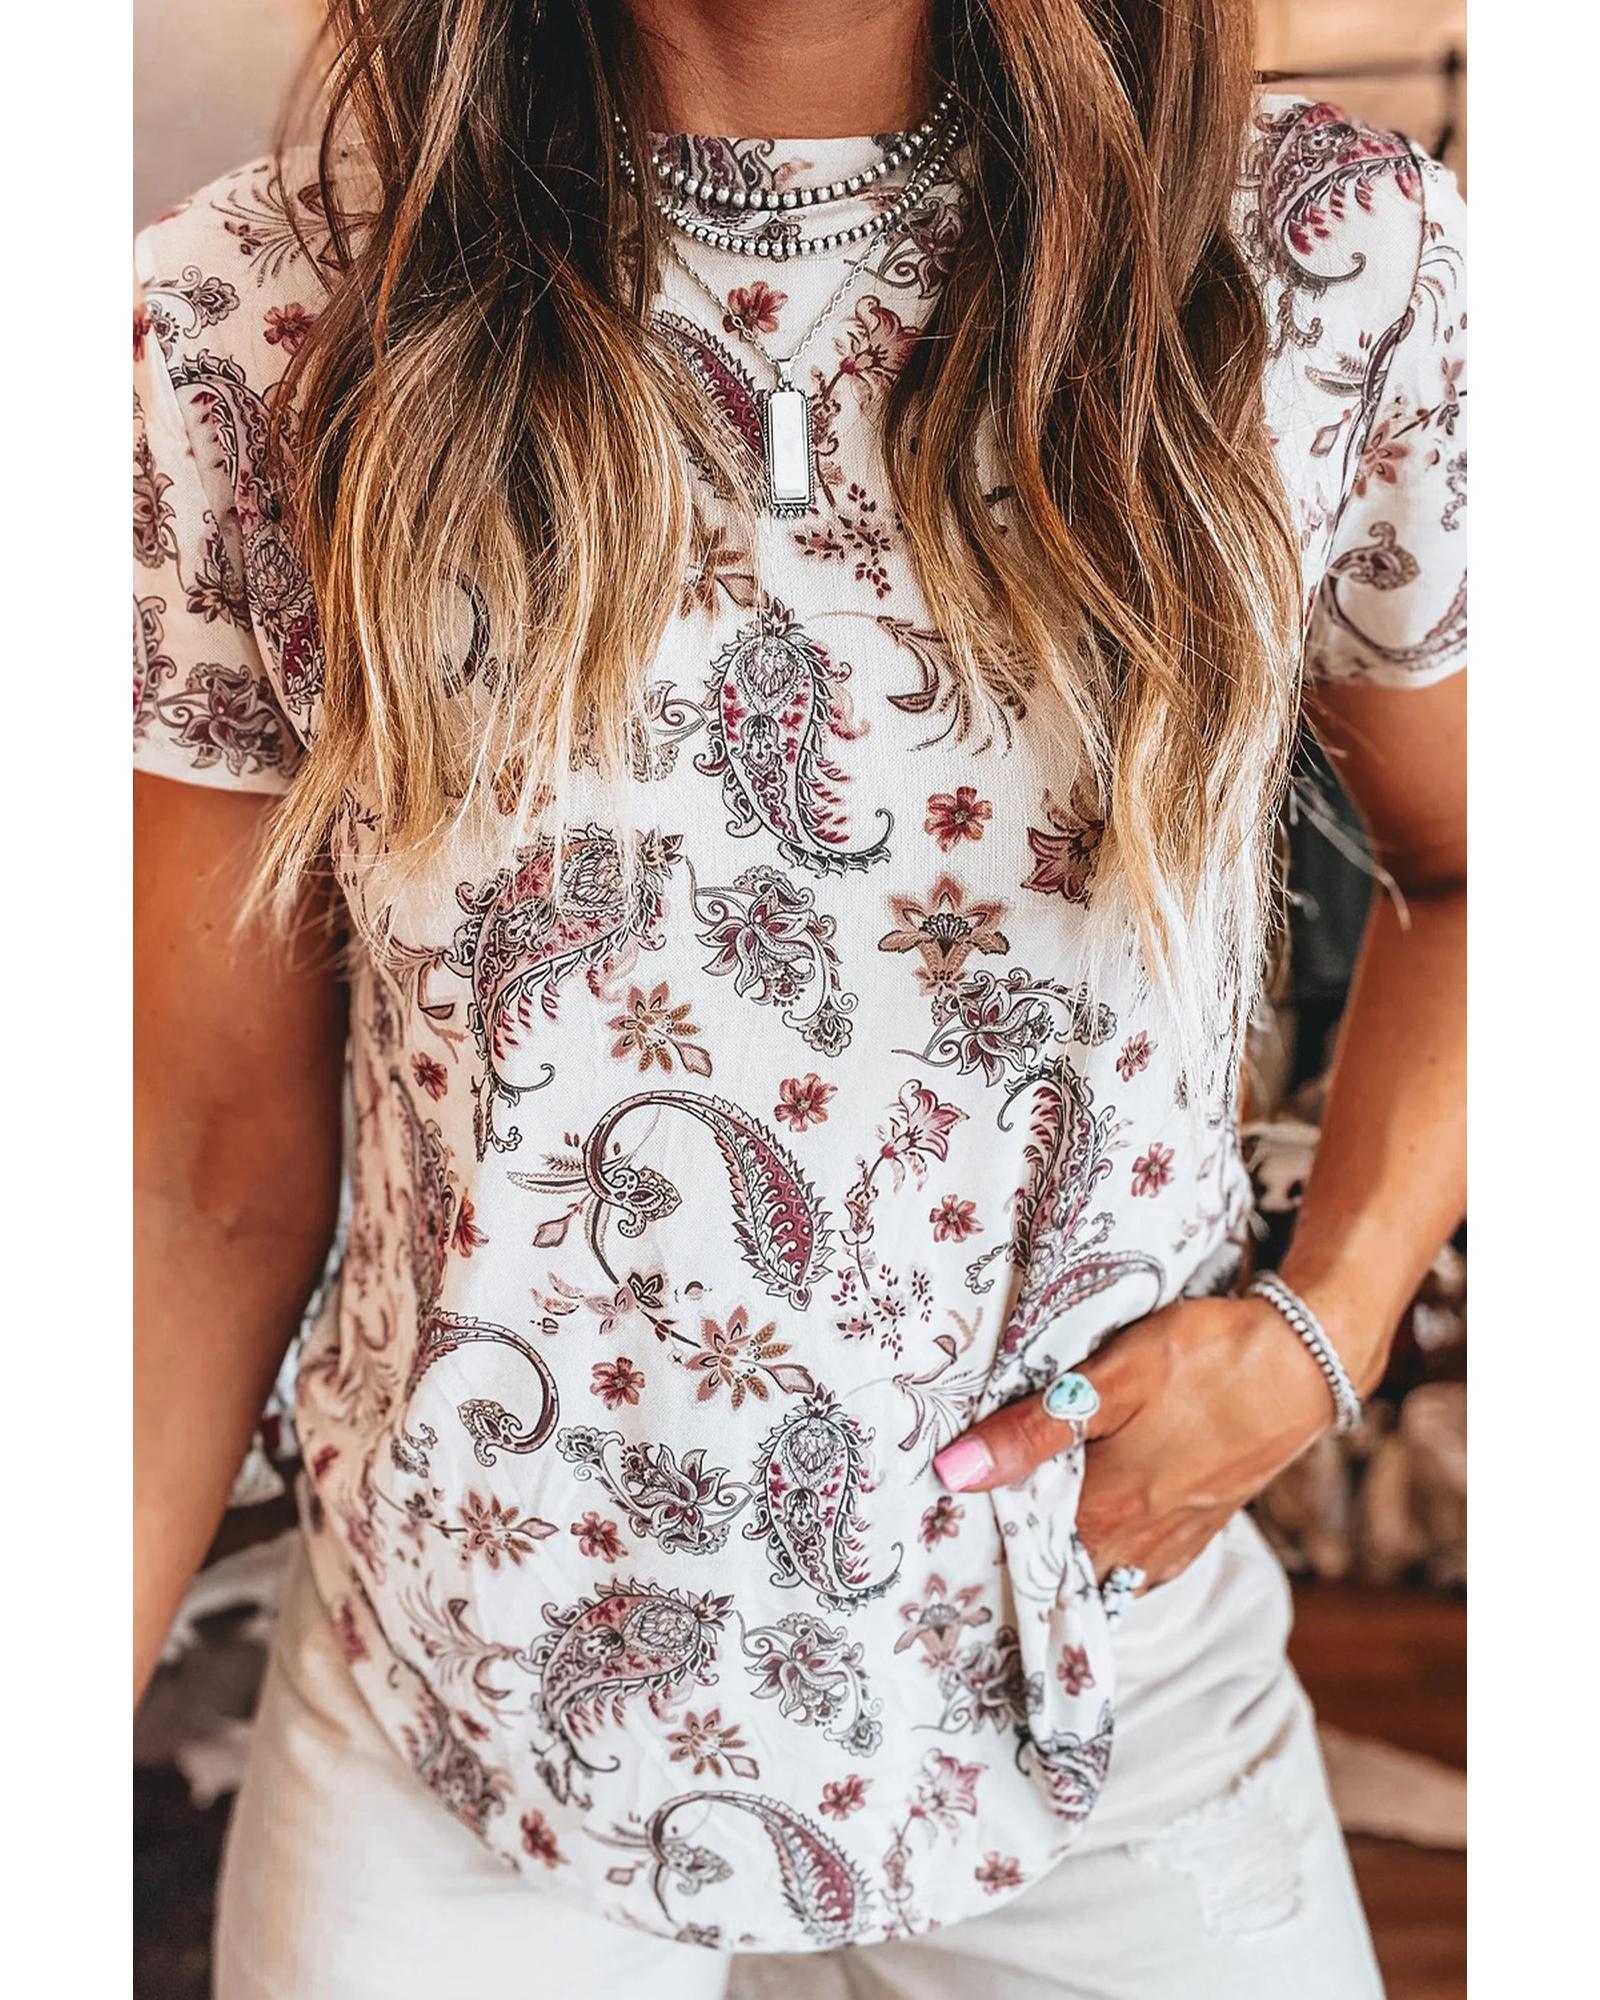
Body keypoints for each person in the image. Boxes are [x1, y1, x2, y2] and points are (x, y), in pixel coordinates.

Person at [132, 3, 1467, 1994]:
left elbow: (1490, 866)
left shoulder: (1320, 259)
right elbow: (195, 1171)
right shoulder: (257, 317)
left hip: (1099, 1673)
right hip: (461, 1711)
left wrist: (1321, 1324)